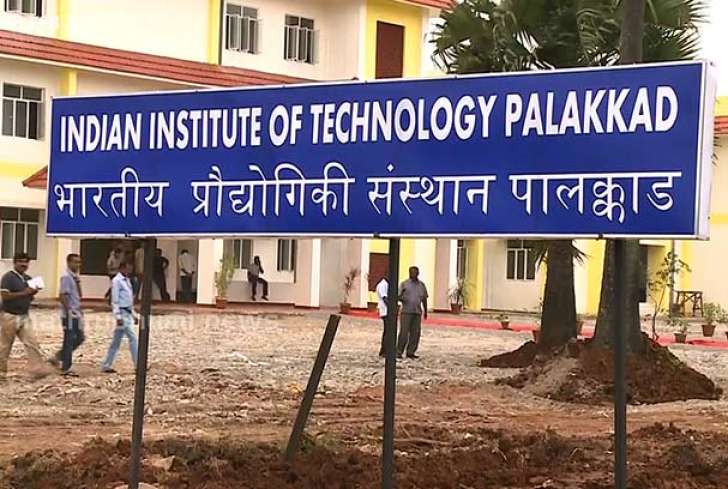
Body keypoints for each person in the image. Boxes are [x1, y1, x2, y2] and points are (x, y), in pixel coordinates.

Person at [0, 252, 49, 382]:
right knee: (5, 346)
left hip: (24, 316)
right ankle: (1, 373)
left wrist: (33, 292)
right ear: (14, 263)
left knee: (32, 343)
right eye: (21, 261)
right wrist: (25, 292)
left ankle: (38, 370)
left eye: (26, 262)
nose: (24, 264)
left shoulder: (28, 278)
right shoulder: (8, 278)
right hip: (10, 315)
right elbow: (5, 296)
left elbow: (29, 296)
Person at [101, 261, 138, 373]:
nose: (129, 271)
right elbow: (115, 300)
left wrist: (133, 314)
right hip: (122, 313)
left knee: (116, 341)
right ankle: (138, 364)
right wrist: (118, 316)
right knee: (133, 338)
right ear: (122, 268)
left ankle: (106, 365)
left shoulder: (127, 280)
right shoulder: (117, 281)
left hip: (127, 312)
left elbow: (128, 300)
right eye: (128, 268)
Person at [56, 253, 85, 377]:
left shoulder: (74, 278)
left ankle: (59, 357)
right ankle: (65, 367)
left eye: (79, 262)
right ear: (68, 263)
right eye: (75, 262)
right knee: (69, 339)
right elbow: (62, 295)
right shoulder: (66, 277)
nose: (78, 265)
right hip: (70, 314)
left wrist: (78, 282)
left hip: (76, 313)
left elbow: (80, 295)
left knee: (80, 337)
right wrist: (69, 311)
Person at [397, 266, 428, 360]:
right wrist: (403, 298)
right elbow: (398, 296)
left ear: (418, 273)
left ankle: (411, 352)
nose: (413, 274)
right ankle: (399, 351)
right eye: (411, 272)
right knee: (404, 332)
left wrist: (425, 311)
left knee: (415, 333)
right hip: (406, 311)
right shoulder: (404, 284)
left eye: (415, 272)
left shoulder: (421, 285)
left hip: (417, 312)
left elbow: (424, 299)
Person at [375, 275, 389, 358]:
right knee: (387, 331)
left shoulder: (388, 284)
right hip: (385, 310)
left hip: (387, 310)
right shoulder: (382, 285)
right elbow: (384, 298)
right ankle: (384, 350)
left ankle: (386, 349)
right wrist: (391, 307)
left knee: (388, 331)